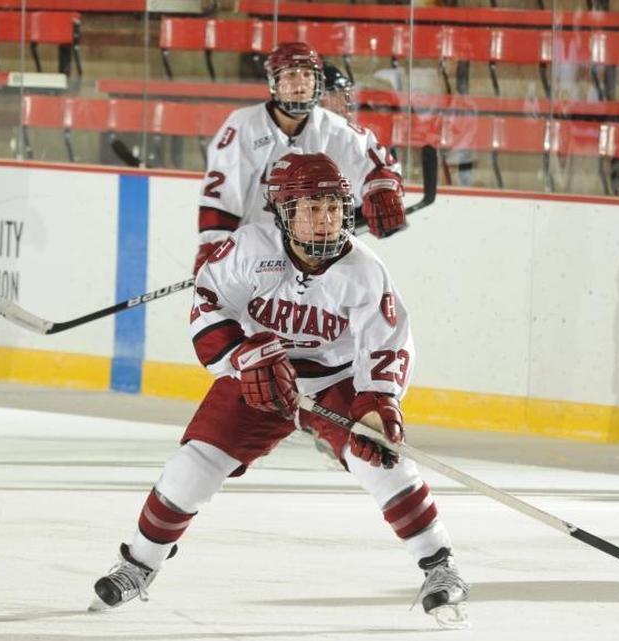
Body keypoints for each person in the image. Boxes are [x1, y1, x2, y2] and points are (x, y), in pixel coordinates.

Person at [91, 152, 470, 629]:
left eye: (334, 207)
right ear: (285, 212)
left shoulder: (364, 271)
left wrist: (377, 406)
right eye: (312, 208)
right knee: (191, 468)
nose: (325, 219)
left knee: (382, 464)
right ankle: (137, 565)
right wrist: (242, 357)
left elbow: (387, 346)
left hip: (334, 382)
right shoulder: (250, 248)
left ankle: (441, 567)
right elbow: (208, 302)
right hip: (256, 374)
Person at [193, 41, 407, 275]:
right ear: (274, 82)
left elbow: (379, 165)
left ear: (318, 81)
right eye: (291, 74)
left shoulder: (337, 129)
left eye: (308, 74)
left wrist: (382, 192)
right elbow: (221, 198)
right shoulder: (244, 126)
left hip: (317, 254)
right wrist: (215, 246)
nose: (300, 82)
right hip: (257, 253)